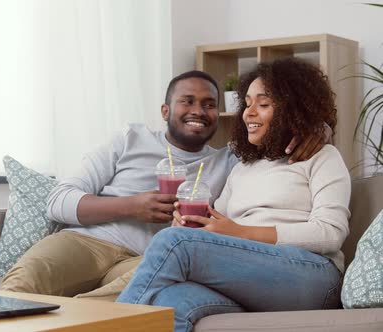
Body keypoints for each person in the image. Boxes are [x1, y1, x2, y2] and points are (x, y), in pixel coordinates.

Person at [1, 69, 329, 297]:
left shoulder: (229, 160)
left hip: (147, 258)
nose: (198, 111)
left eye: (209, 104)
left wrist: (319, 130)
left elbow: (278, 137)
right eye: (187, 101)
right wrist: (132, 205)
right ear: (165, 109)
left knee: (142, 295)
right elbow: (58, 200)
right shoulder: (129, 139)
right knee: (24, 282)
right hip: (87, 241)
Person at [116, 58, 350, 331]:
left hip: (312, 277)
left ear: (293, 108)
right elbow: (220, 230)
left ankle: (105, 326)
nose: (249, 113)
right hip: (252, 279)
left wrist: (240, 232)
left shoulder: (322, 156)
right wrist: (194, 227)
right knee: (171, 302)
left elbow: (330, 233)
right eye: (247, 103)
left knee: (173, 243)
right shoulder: (242, 167)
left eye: (263, 104)